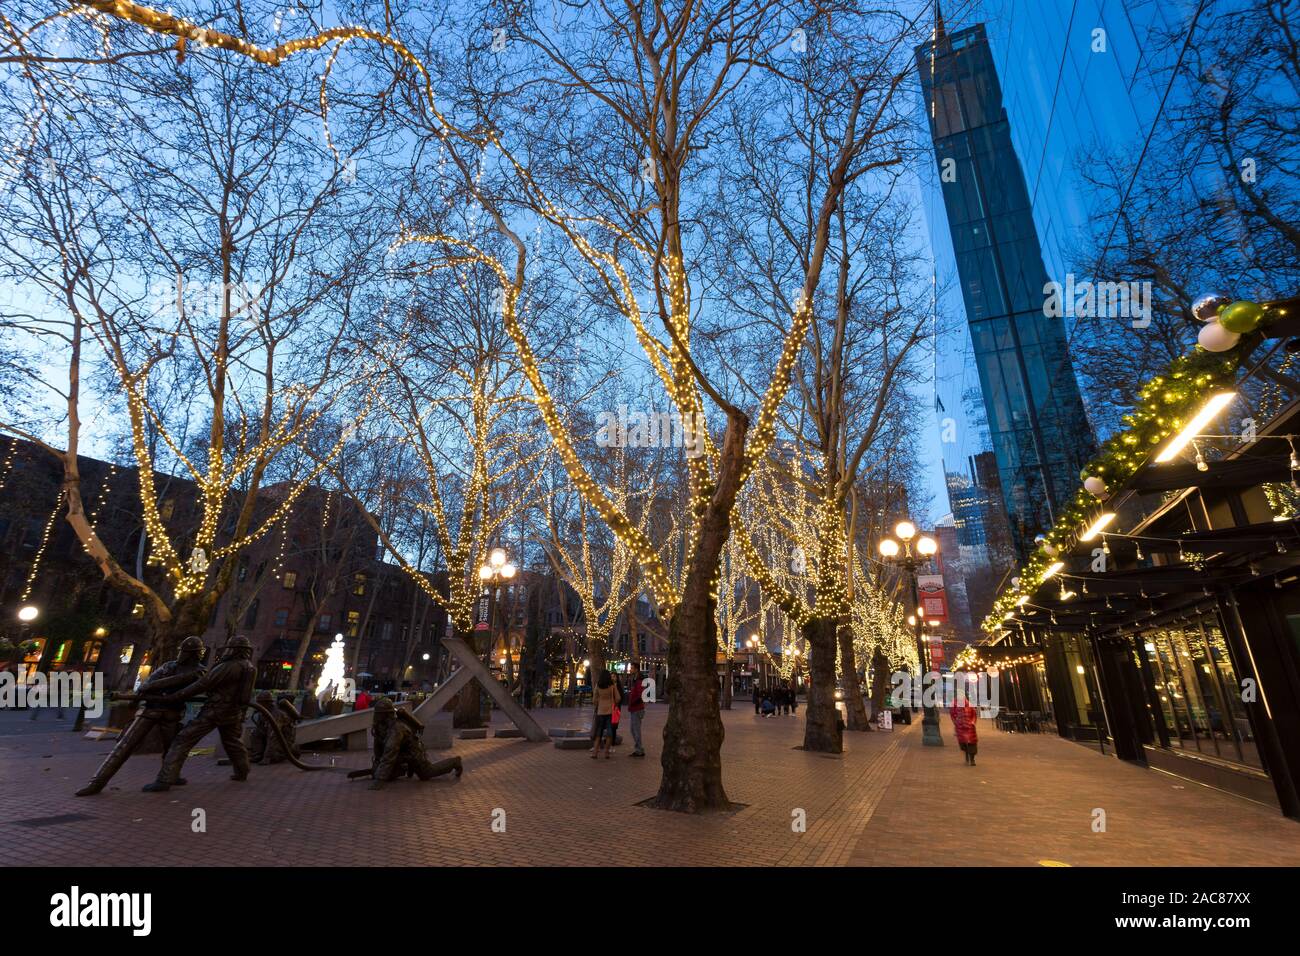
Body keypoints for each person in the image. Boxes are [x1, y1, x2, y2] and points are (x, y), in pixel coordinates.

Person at [75, 636, 206, 796]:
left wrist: (160, 689)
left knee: (172, 750)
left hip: (172, 713)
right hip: (152, 710)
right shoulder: (169, 666)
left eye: (188, 652)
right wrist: (145, 692)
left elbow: (194, 688)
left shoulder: (199, 672)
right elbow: (147, 684)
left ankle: (171, 776)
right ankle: (97, 782)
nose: (185, 655)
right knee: (125, 746)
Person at [142, 635, 257, 792]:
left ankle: (165, 779)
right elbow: (245, 696)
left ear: (233, 650)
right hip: (233, 712)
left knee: (183, 740)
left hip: (215, 710)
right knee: (232, 742)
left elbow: (202, 684)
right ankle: (242, 771)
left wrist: (176, 696)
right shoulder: (249, 667)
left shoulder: (228, 666)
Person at [368, 697, 461, 789]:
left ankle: (454, 762)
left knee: (426, 773)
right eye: (377, 714)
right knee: (384, 772)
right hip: (401, 753)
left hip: (413, 753)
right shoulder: (380, 726)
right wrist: (376, 766)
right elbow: (379, 752)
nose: (377, 717)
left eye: (379, 714)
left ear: (386, 715)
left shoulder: (397, 729)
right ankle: (406, 767)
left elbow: (389, 754)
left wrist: (379, 780)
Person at [591, 669, 621, 759]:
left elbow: (594, 700)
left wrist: (598, 705)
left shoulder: (598, 685)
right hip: (610, 711)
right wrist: (614, 704)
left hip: (600, 711)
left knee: (598, 733)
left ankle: (595, 752)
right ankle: (606, 752)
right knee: (609, 732)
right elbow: (618, 698)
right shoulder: (612, 686)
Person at [625, 667, 647, 757]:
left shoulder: (639, 682)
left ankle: (639, 749)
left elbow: (640, 695)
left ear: (636, 670)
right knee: (633, 729)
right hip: (634, 708)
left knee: (635, 730)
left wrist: (633, 703)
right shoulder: (635, 681)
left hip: (637, 709)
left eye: (632, 668)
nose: (630, 670)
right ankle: (639, 748)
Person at [952, 697, 979, 766]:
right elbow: (953, 714)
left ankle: (972, 759)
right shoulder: (956, 706)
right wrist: (957, 722)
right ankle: (967, 754)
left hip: (970, 728)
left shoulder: (970, 706)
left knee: (972, 743)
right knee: (963, 743)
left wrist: (972, 722)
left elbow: (974, 715)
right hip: (961, 728)